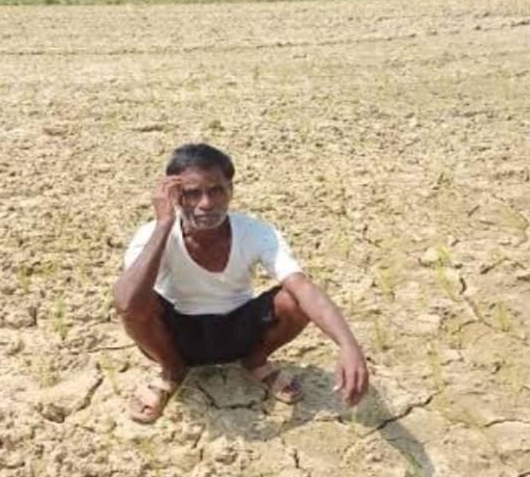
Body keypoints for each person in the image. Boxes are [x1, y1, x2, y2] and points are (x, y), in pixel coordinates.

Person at [113, 143, 369, 423]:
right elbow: (126, 302)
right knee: (138, 300)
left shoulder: (257, 232)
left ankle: (256, 361)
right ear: (174, 196)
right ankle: (172, 371)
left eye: (216, 190)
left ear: (230, 191)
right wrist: (164, 224)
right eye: (191, 193)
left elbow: (302, 286)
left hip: (238, 330)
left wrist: (348, 345)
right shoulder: (152, 234)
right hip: (175, 335)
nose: (206, 204)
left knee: (294, 299)